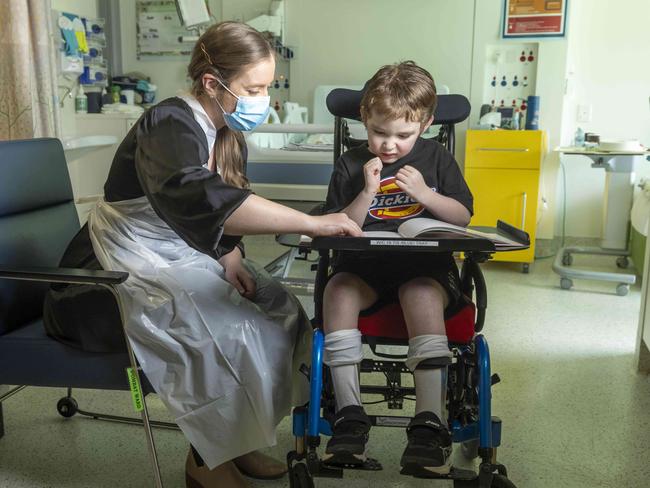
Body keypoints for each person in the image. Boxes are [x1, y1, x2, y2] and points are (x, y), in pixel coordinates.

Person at [43, 22, 361, 488]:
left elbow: (217, 213)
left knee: (280, 310)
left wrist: (229, 254)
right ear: (213, 84)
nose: (263, 99)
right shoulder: (168, 123)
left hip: (172, 253)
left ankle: (238, 442)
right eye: (254, 88)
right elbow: (195, 197)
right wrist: (310, 222)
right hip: (103, 278)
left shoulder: (224, 130)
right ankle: (205, 462)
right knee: (228, 328)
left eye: (267, 87)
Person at [321, 61, 473, 476]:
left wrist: (425, 193)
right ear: (363, 120)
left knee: (419, 293)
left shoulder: (437, 159)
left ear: (423, 124)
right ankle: (349, 414)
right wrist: (368, 191)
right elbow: (340, 225)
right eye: (378, 133)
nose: (388, 145)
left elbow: (460, 217)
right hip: (364, 270)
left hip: (425, 272)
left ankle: (428, 421)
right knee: (338, 290)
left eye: (402, 135)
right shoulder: (352, 165)